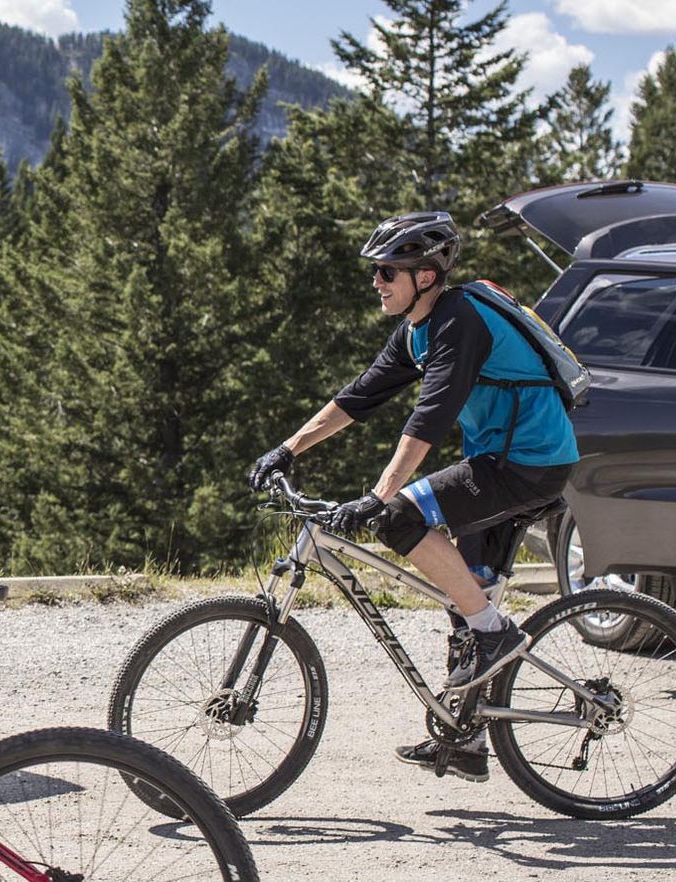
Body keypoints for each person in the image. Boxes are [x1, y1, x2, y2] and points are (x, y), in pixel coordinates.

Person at [247, 211, 579, 783]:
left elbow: (430, 416)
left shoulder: (460, 321)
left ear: (425, 276)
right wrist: (287, 449)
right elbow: (360, 396)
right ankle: (467, 737)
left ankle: (496, 634)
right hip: (495, 461)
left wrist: (380, 495)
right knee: (464, 595)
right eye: (376, 272)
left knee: (399, 517)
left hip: (529, 465)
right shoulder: (418, 329)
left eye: (386, 272)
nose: (376, 282)